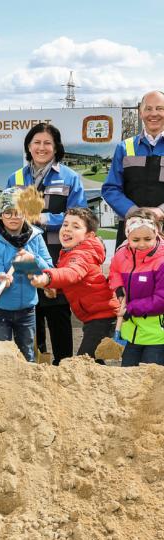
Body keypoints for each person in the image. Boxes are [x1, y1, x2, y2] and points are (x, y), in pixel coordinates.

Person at [7, 122, 87, 365]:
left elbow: (80, 216)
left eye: (47, 143)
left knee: (58, 313)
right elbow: (6, 213)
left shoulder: (69, 177)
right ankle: (37, 365)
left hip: (57, 256)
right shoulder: (16, 177)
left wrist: (45, 219)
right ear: (28, 146)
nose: (41, 148)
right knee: (32, 313)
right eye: (36, 142)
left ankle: (63, 365)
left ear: (56, 147)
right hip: (26, 255)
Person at [31, 208, 119, 361]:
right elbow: (76, 282)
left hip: (102, 317)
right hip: (94, 316)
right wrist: (57, 289)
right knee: (93, 361)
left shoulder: (81, 254)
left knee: (84, 361)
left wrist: (47, 278)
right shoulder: (70, 252)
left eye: (76, 226)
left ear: (89, 235)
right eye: (65, 225)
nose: (67, 229)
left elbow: (72, 273)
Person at [0, 188, 53, 362]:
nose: (14, 217)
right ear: (0, 215)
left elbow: (48, 268)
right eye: (8, 212)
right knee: (1, 355)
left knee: (27, 353)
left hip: (28, 309)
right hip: (1, 309)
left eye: (18, 212)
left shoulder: (35, 237)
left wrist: (32, 260)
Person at [102, 90, 164, 248]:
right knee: (126, 272)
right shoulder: (124, 147)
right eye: (148, 109)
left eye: (160, 108)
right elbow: (111, 188)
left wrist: (161, 211)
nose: (154, 113)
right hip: (130, 231)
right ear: (141, 113)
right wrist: (133, 212)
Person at [108, 208, 164, 366]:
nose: (142, 244)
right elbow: (115, 271)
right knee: (127, 375)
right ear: (128, 236)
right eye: (136, 239)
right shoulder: (122, 254)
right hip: (131, 333)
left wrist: (131, 308)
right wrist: (118, 288)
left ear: (156, 233)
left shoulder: (162, 261)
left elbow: (161, 300)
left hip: (157, 336)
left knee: (150, 379)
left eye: (148, 238)